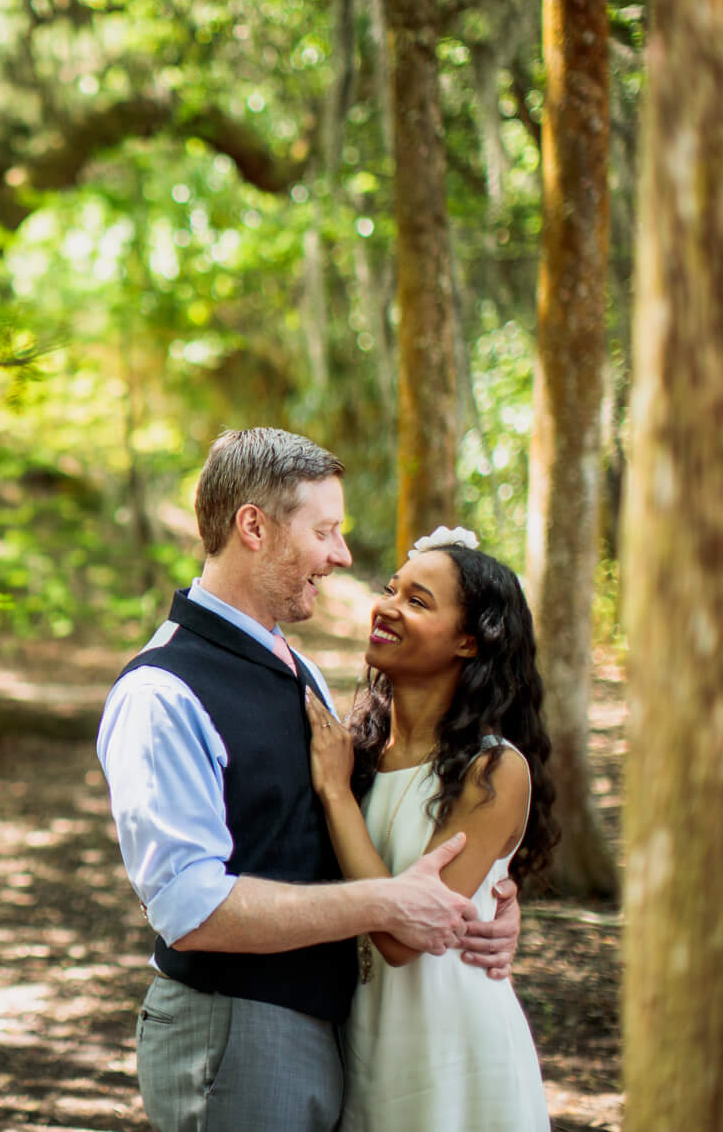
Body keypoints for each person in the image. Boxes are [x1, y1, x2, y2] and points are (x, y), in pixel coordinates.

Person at [97, 428, 520, 1131]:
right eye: (325, 530)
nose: (342, 555)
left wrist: (480, 898)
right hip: (236, 1033)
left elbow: (367, 818)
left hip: (331, 1029)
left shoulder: (298, 669)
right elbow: (192, 907)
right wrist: (387, 904)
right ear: (254, 526)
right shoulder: (161, 693)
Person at [304, 527, 554, 1131]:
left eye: (417, 601)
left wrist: (336, 795)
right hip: (364, 1038)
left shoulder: (493, 770)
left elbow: (404, 935)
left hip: (455, 1048)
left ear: (469, 642)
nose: (387, 607)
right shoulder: (354, 750)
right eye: (392, 590)